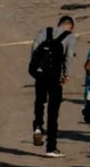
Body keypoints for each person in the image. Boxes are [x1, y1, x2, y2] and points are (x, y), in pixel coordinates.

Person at [29, 15, 77, 157]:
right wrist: (66, 74)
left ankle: (38, 126)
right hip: (55, 76)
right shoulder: (70, 37)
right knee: (53, 110)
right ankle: (51, 147)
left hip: (40, 73)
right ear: (70, 26)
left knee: (40, 100)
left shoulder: (45, 31)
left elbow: (35, 48)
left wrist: (36, 67)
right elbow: (68, 56)